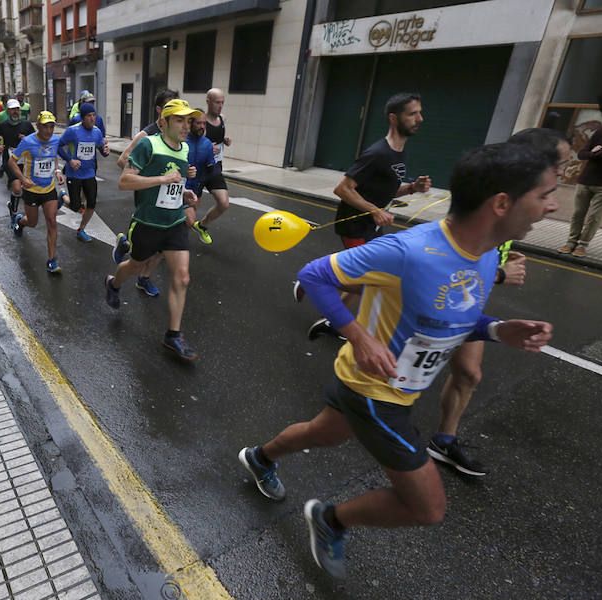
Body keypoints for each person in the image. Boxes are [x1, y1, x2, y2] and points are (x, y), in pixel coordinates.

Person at [238, 142, 557, 579]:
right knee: (427, 508)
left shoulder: (484, 255)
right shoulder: (410, 250)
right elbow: (314, 275)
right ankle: (330, 519)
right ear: (502, 203)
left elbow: (452, 319)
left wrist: (500, 330)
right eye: (544, 195)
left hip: (383, 386)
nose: (553, 207)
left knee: (325, 433)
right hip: (376, 391)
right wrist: (358, 335)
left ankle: (259, 457)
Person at [429, 127, 571, 477]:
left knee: (469, 373)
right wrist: (501, 274)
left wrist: (504, 252)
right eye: (560, 165)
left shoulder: (525, 200)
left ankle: (443, 441)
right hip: (440, 302)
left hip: (468, 303)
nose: (563, 175)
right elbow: (446, 263)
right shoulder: (495, 196)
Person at [304, 92, 432, 340]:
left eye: (420, 112)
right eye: (413, 114)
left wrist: (412, 188)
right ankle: (316, 281)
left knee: (372, 276)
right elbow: (342, 188)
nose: (420, 119)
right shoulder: (378, 153)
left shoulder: (398, 152)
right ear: (394, 119)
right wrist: (375, 211)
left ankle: (332, 318)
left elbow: (385, 189)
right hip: (354, 225)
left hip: (370, 226)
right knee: (369, 279)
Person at [104, 99, 202, 360]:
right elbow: (125, 181)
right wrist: (163, 179)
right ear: (164, 122)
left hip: (174, 223)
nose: (186, 126)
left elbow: (173, 189)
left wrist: (186, 195)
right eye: (180, 120)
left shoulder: (184, 150)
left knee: (182, 278)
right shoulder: (149, 144)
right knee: (135, 266)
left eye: (188, 120)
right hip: (147, 223)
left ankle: (173, 335)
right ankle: (113, 283)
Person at [6, 111, 65, 273]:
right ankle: (19, 220)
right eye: (45, 127)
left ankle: (52, 260)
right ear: (38, 126)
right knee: (32, 222)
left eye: (52, 127)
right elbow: (12, 162)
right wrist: (23, 179)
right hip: (31, 190)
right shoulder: (28, 142)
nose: (49, 131)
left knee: (52, 222)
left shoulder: (55, 140)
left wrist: (57, 171)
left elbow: (53, 156)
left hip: (49, 189)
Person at [558, 92, 602, 258]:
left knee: (594, 217)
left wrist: (601, 155)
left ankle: (582, 245)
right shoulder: (601, 132)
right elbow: (582, 154)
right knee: (578, 213)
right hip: (585, 181)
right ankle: (570, 242)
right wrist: (594, 153)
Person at [58, 103, 110, 242]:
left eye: (94, 115)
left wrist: (105, 151)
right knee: (75, 206)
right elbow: (58, 146)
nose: (92, 119)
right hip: (74, 174)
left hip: (89, 173)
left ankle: (81, 229)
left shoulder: (97, 132)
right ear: (82, 117)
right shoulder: (72, 131)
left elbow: (100, 149)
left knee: (91, 203)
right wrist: (70, 160)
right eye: (89, 116)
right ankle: (63, 197)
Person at [190, 88, 233, 245]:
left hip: (214, 168)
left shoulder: (222, 119)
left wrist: (225, 140)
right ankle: (170, 239)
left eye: (222, 102)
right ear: (208, 102)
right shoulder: (200, 123)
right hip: (199, 171)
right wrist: (206, 147)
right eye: (217, 102)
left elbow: (218, 139)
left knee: (224, 203)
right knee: (190, 210)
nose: (220, 106)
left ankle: (202, 225)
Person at [0, 99, 35, 217]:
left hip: (25, 161)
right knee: (17, 188)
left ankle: (12, 205)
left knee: (26, 187)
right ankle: (14, 211)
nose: (15, 112)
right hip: (10, 160)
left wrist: (26, 138)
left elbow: (35, 138)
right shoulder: (3, 125)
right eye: (12, 110)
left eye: (17, 109)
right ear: (8, 111)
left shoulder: (26, 124)